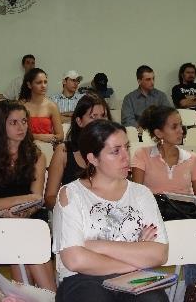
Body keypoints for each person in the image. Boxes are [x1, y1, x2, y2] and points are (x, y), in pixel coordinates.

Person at [52, 119, 169, 302]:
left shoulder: (141, 194)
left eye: (126, 147)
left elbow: (159, 254)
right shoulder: (71, 194)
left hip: (135, 278)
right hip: (83, 278)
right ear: (92, 159)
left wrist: (94, 245)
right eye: (115, 151)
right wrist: (135, 256)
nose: (126, 157)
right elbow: (75, 260)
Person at [131, 105, 196, 286]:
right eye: (174, 127)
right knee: (195, 248)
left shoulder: (192, 158)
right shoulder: (142, 155)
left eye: (181, 126)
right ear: (159, 133)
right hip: (156, 220)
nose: (181, 131)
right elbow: (137, 196)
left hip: (186, 217)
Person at [0, 100, 56, 291]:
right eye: (14, 122)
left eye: (24, 121)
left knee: (26, 241)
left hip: (28, 217)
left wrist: (21, 212)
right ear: (0, 126)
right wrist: (18, 201)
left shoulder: (36, 155)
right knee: (25, 245)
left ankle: (41, 295)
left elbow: (35, 199)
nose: (22, 127)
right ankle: (50, 295)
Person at [45, 93, 111, 210]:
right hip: (74, 214)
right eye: (93, 117)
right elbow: (50, 198)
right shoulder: (64, 151)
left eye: (103, 116)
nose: (100, 122)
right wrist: (76, 207)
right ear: (79, 121)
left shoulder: (114, 150)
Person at [19, 68, 64, 144]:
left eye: (45, 82)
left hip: (48, 147)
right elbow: (15, 132)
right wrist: (38, 137)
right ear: (29, 85)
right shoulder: (21, 106)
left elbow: (60, 135)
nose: (43, 86)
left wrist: (52, 139)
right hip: (25, 146)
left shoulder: (51, 106)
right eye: (39, 82)